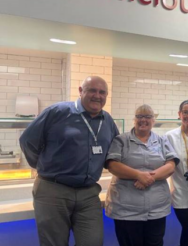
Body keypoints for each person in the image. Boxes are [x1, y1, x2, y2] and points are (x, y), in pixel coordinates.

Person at [19, 76, 119, 246]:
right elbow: (27, 141)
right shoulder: (57, 112)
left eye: (102, 92)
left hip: (88, 193)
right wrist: (41, 165)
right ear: (81, 91)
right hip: (53, 191)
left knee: (93, 241)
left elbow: (116, 149)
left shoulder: (107, 120)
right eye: (92, 90)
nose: (97, 95)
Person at [105, 104, 179, 246]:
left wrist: (148, 177)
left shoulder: (162, 140)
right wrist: (138, 175)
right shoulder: (121, 140)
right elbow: (112, 165)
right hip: (126, 211)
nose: (143, 120)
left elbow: (171, 166)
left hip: (156, 211)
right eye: (139, 116)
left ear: (153, 121)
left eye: (148, 116)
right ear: (134, 120)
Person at [165, 100, 188, 246]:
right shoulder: (169, 136)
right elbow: (165, 162)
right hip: (180, 192)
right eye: (185, 112)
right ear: (179, 114)